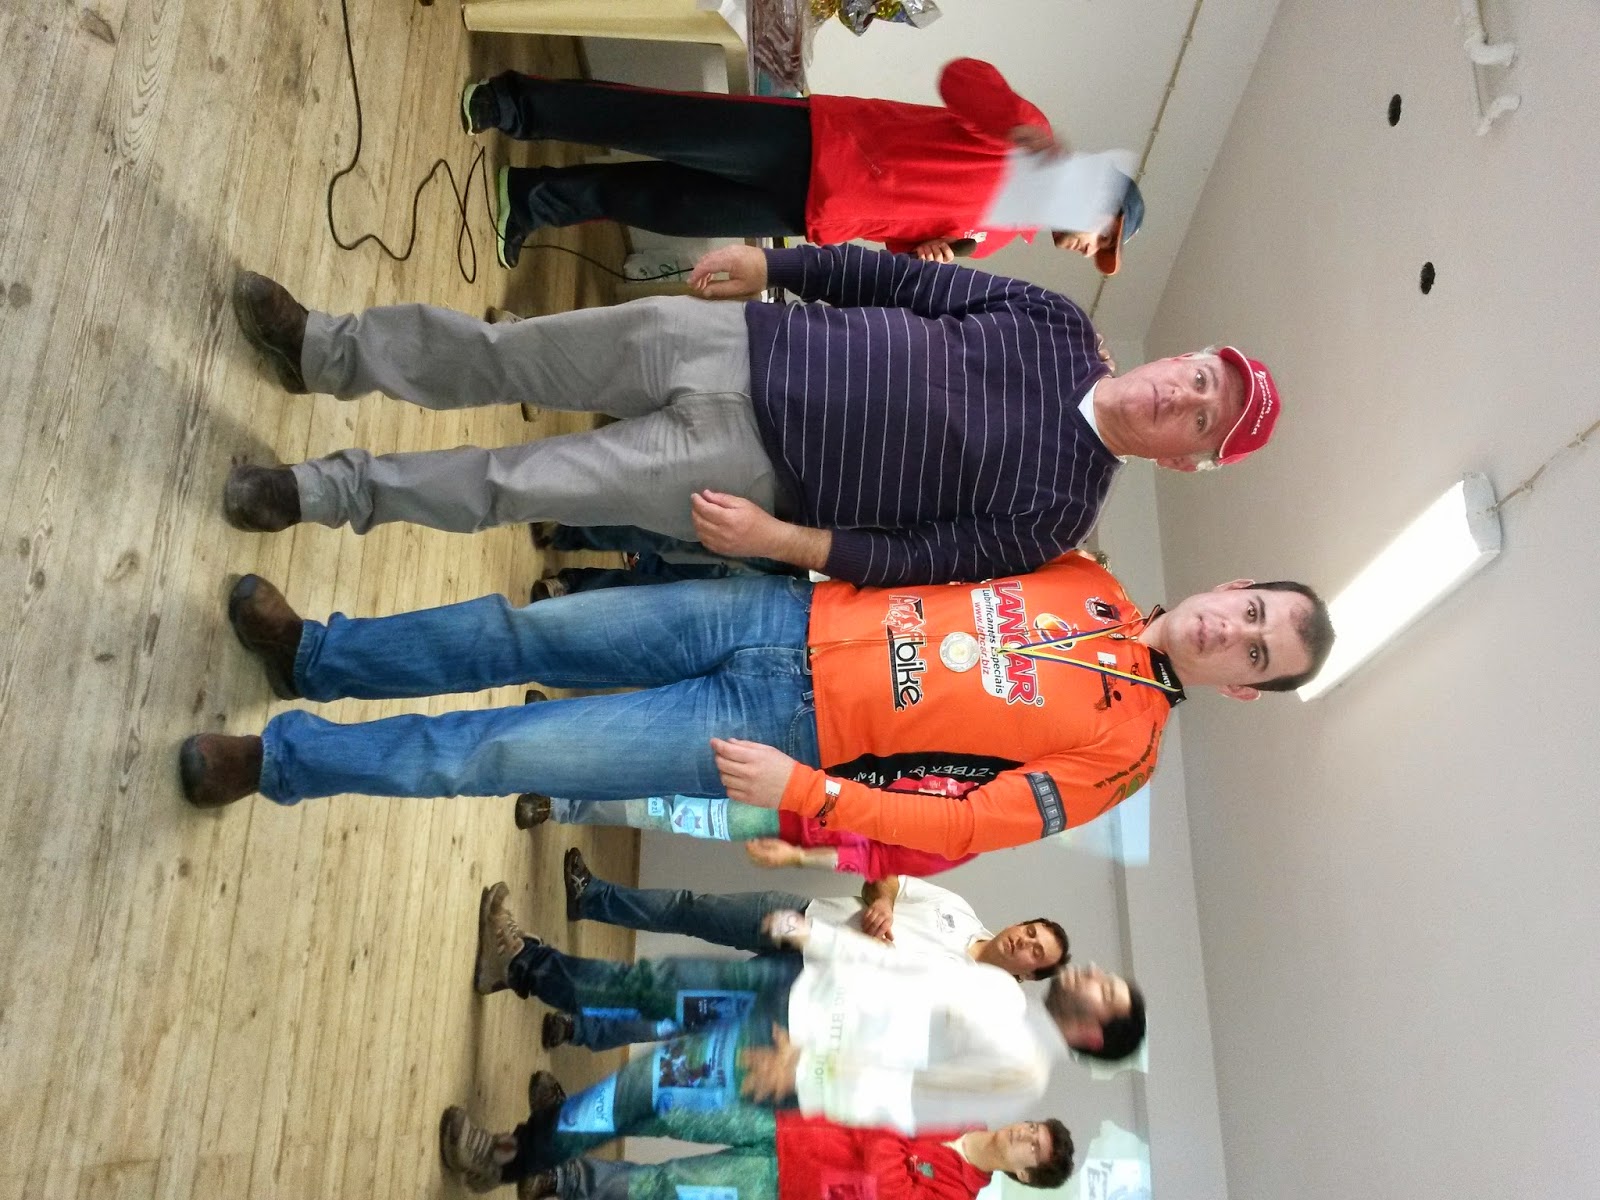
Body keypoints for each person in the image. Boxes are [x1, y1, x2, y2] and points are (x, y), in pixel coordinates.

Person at [222, 240, 1282, 587]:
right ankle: (326, 350)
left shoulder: (1059, 516)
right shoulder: (1056, 319)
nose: (1182, 398)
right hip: (740, 338)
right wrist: (774, 263)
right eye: (1200, 378)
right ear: (1183, 358)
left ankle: (322, 492)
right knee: (512, 353)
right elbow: (902, 282)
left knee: (517, 483)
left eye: (1203, 420)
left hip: (744, 473)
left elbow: (914, 558)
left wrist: (783, 542)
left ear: (1184, 460)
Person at [179, 554, 1334, 862]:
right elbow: (928, 542)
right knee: (525, 631)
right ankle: (316, 655)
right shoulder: (1084, 570)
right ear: (1232, 585)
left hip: (777, 735)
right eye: (1250, 611)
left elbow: (964, 825)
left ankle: (280, 763)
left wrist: (811, 796)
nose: (1230, 631)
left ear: (1240, 686)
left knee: (496, 753)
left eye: (1254, 652)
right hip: (773, 608)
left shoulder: (1126, 755)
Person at [463, 904, 1137, 1142]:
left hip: (787, 1055)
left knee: (651, 1093)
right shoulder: (972, 952)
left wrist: (806, 1069)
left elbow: (896, 1089)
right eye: (1032, 933)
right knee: (658, 997)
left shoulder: (1011, 1052)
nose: (1027, 944)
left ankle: (519, 1147)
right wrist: (821, 939)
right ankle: (523, 967)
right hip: (792, 992)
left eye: (1104, 989)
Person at [460, 62, 1142, 272]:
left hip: (812, 215)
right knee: (655, 122)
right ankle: (514, 103)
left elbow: (898, 238)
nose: (1091, 248)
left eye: (1101, 250)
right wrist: (1018, 129)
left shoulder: (997, 239)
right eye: (1104, 234)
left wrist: (923, 254)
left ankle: (533, 199)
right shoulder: (1030, 137)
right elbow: (961, 77)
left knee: (663, 204)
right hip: (813, 142)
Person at [533, 853, 1068, 1049]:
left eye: (1034, 951)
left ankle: (584, 1029)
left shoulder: (995, 1001)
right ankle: (593, 897)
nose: (1023, 940)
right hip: (806, 918)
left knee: (684, 1008)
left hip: (807, 993)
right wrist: (882, 903)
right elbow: (884, 878)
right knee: (694, 908)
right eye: (1030, 930)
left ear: (1030, 974)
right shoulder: (959, 909)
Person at [441, 1086, 1073, 1200]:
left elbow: (879, 1183)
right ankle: (533, 1141)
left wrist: (884, 1135)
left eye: (1032, 1149)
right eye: (1034, 1128)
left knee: (661, 1187)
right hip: (787, 1122)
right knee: (661, 1104)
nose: (1024, 1135)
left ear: (1023, 1175)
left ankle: (550, 1175)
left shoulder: (956, 1195)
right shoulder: (960, 1110)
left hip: (777, 1186)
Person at [514, 781, 978, 882]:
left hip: (787, 817)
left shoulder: (964, 842)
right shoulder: (975, 754)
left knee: (667, 811)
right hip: (797, 746)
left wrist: (798, 857)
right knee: (672, 749)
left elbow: (874, 860)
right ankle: (556, 748)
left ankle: (562, 804)